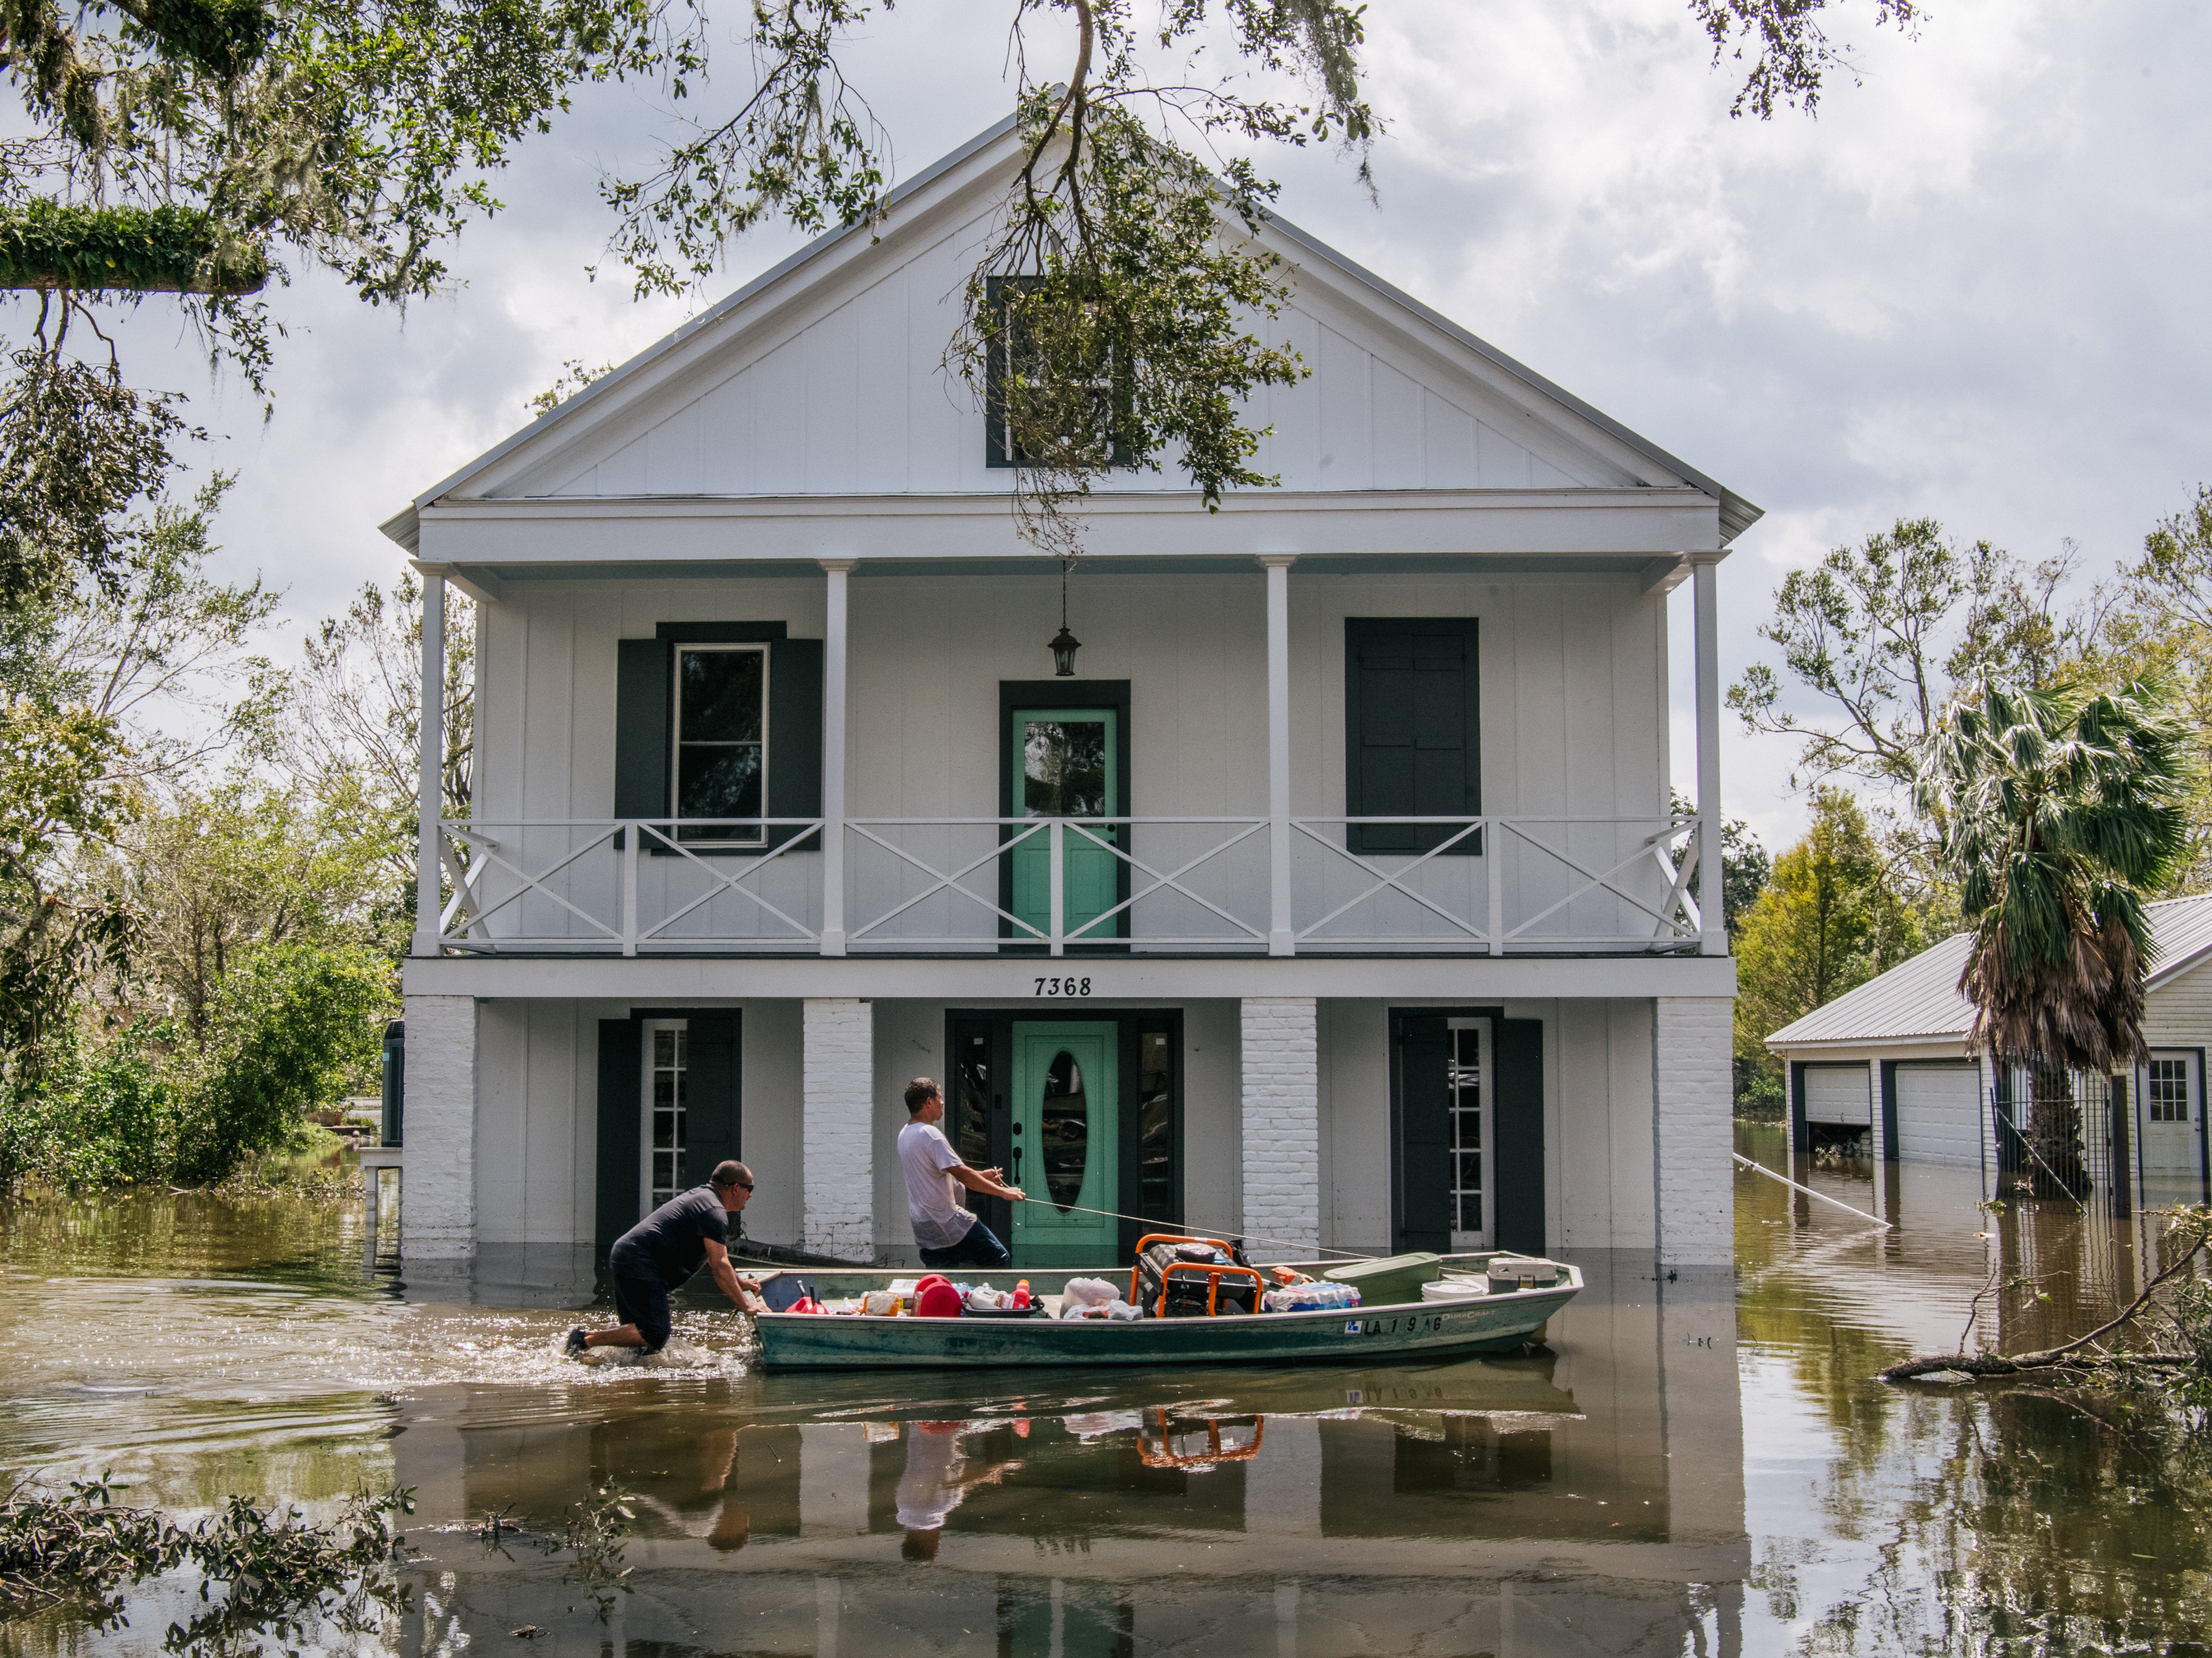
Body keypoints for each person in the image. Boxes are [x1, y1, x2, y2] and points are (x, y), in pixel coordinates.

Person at [567, 1159, 764, 1357]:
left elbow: (715, 1260)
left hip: (628, 1255)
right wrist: (746, 1306)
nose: (751, 1195)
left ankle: (625, 1376)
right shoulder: (714, 1212)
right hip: (638, 1260)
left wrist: (740, 1284)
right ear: (736, 1188)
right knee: (655, 1333)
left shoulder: (705, 1200)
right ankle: (585, 1340)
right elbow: (720, 1266)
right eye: (750, 1188)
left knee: (642, 1343)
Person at [898, 1077, 1025, 1270]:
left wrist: (981, 1176)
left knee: (944, 1282)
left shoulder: (906, 1133)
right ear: (929, 1102)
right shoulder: (930, 1135)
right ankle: (981, 1299)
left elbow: (941, 1174)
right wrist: (1004, 1193)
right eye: (939, 1098)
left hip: (924, 1226)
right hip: (946, 1222)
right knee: (998, 1257)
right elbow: (961, 1173)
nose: (942, 1102)